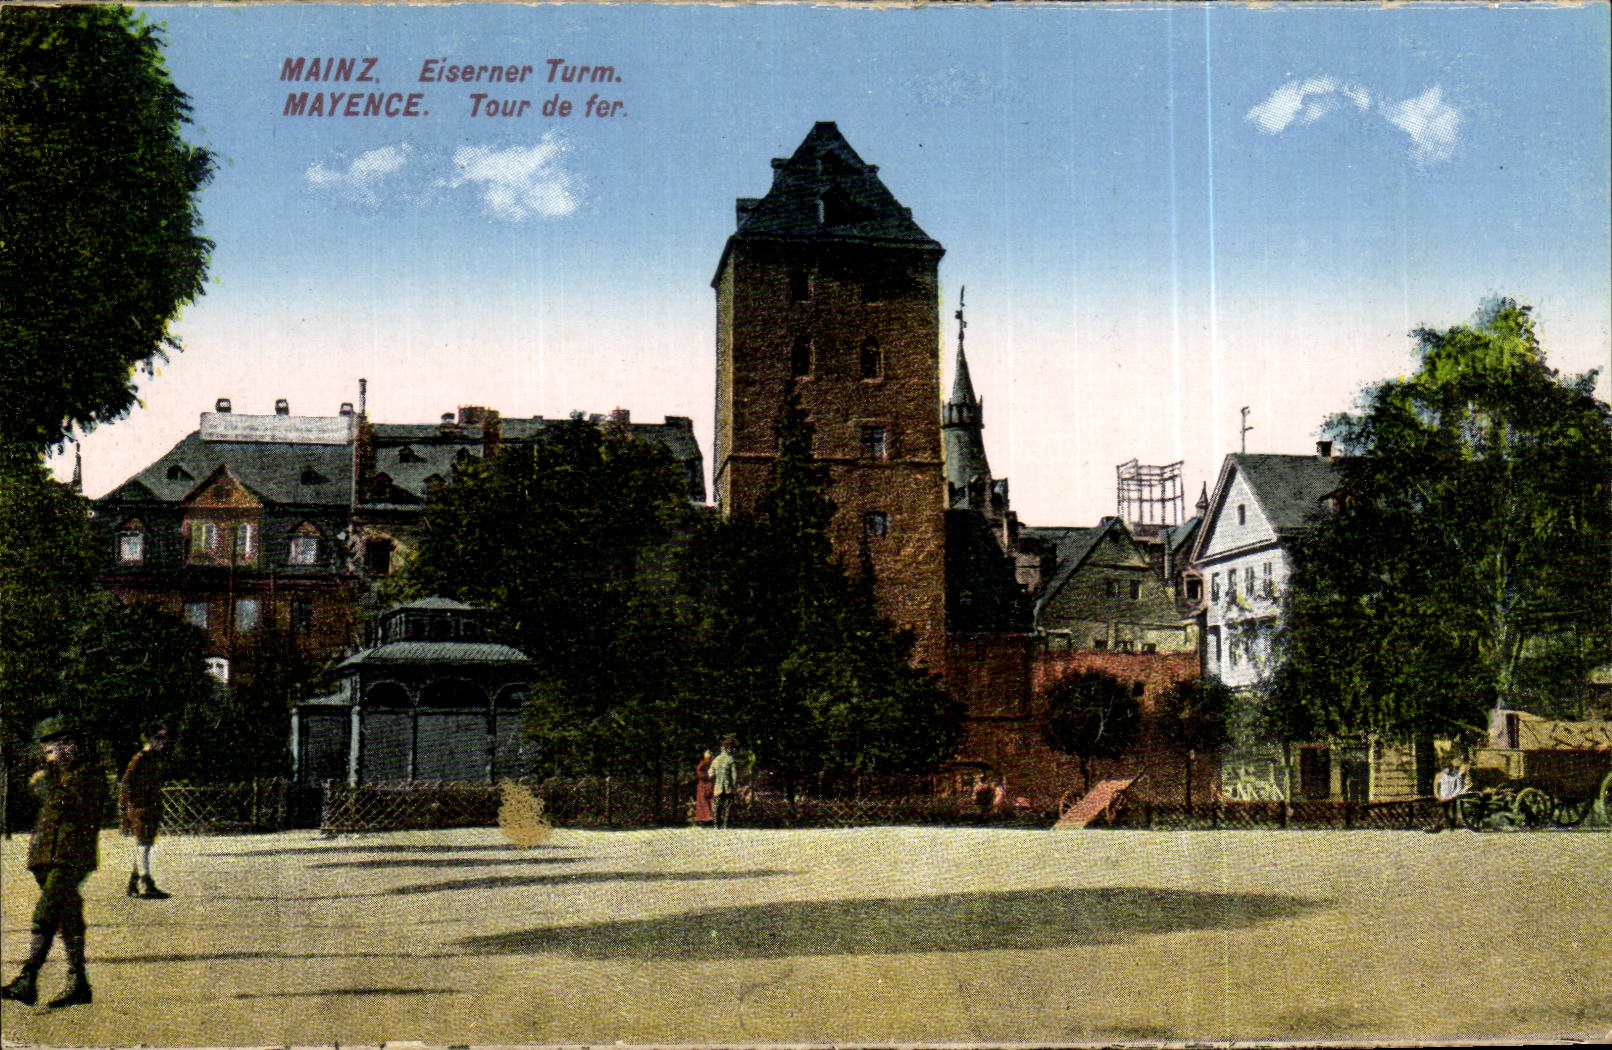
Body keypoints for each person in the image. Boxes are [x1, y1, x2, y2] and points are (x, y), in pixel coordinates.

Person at [1, 716, 108, 1010]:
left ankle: (28, 978)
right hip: (49, 857)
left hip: (69, 856)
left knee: (46, 911)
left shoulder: (89, 774)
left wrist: (47, 786)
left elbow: (72, 809)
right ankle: (78, 983)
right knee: (67, 912)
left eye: (52, 745)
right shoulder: (59, 775)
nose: (46, 750)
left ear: (70, 745)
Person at [120, 724, 171, 899]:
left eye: (163, 738)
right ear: (149, 740)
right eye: (158, 738)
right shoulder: (139, 759)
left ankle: (134, 883)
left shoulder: (153, 759)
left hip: (150, 806)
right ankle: (145, 884)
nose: (162, 742)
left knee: (145, 844)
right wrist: (126, 812)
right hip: (140, 808)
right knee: (143, 845)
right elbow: (126, 784)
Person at [709, 737, 738, 829]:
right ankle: (725, 825)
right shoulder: (730, 759)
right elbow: (734, 775)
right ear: (728, 749)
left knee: (717, 806)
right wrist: (734, 785)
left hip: (718, 786)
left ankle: (716, 825)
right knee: (727, 806)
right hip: (727, 786)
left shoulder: (716, 760)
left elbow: (710, 774)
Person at [1433, 760, 1469, 831]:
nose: (1447, 769)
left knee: (1453, 809)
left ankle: (1452, 824)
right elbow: (1437, 787)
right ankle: (1440, 824)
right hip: (1443, 795)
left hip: (1452, 795)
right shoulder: (1440, 775)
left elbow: (1458, 787)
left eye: (1449, 767)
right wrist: (1438, 795)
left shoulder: (1456, 775)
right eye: (1445, 768)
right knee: (1444, 809)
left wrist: (1453, 795)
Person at [693, 749, 715, 827]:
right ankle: (705, 819)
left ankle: (705, 819)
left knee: (705, 802)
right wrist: (708, 776)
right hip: (704, 785)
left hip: (706, 785)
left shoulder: (705, 763)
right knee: (704, 802)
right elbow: (699, 773)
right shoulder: (704, 763)